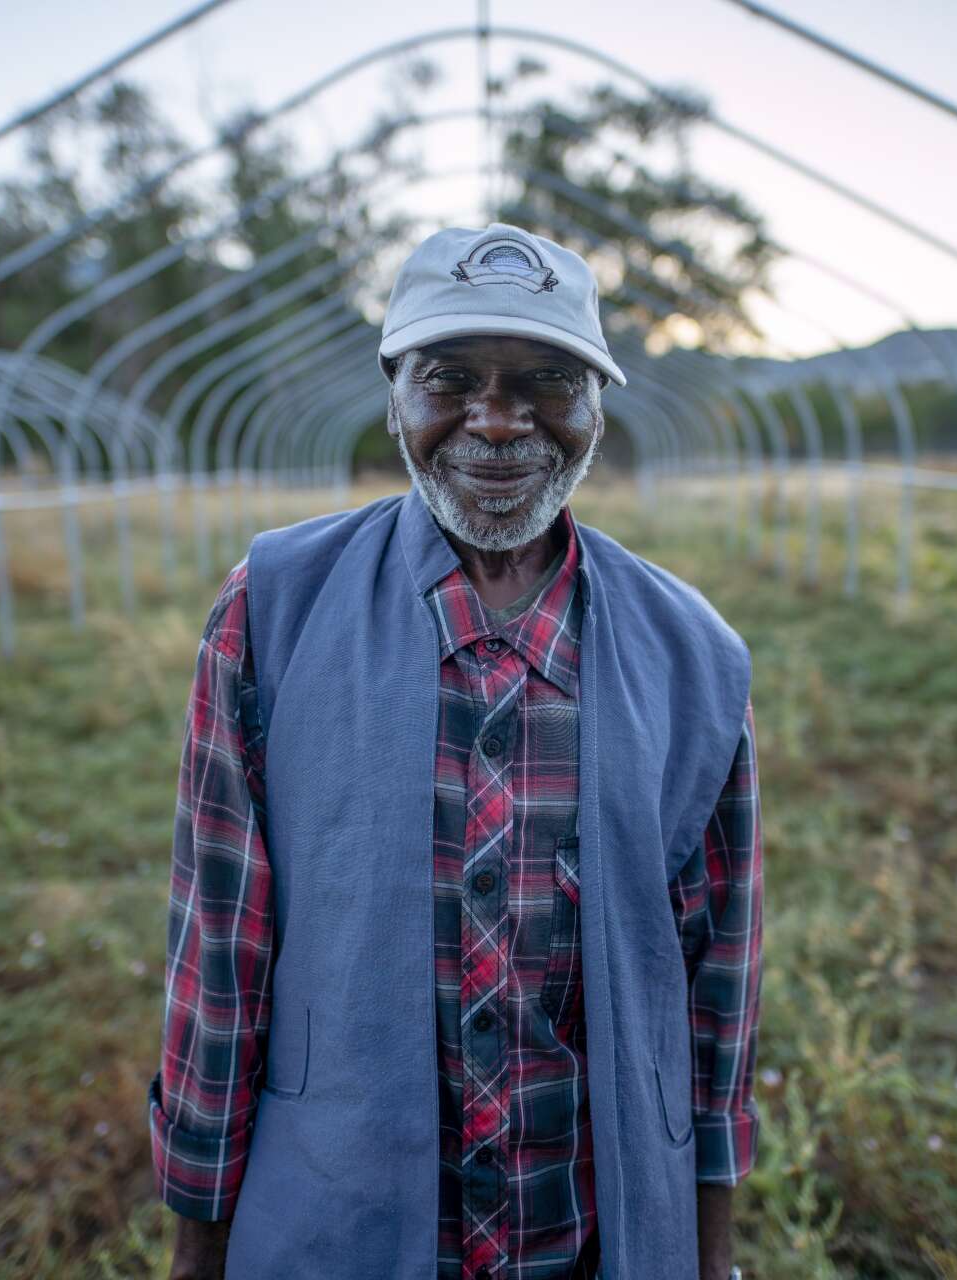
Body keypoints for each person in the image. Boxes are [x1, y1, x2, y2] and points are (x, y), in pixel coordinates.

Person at [148, 222, 763, 1280]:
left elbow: (718, 989)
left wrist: (707, 1254)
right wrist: (198, 1245)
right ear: (394, 393)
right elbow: (220, 948)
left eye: (543, 380)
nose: (494, 419)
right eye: (450, 378)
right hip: (335, 1223)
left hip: (583, 1228)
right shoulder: (273, 608)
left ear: (595, 408)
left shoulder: (692, 653)